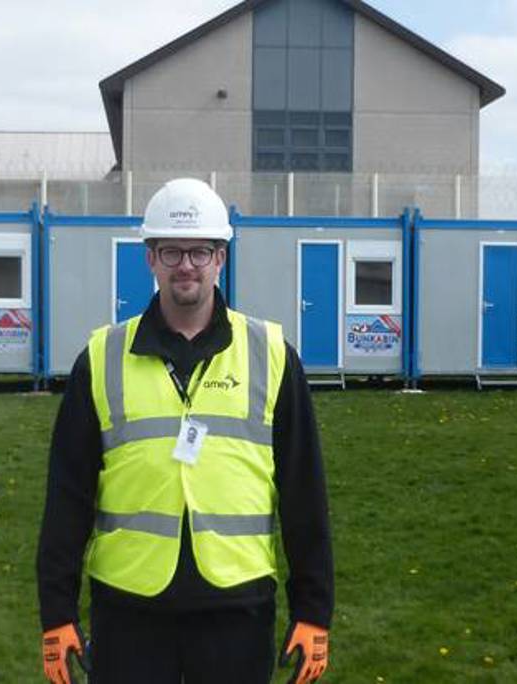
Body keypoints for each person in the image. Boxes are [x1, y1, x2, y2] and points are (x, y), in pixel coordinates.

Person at [37, 178, 333, 684]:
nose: (186, 265)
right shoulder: (103, 357)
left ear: (221, 258)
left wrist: (314, 610)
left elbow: (305, 493)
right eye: (171, 252)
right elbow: (68, 494)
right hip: (129, 608)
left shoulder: (272, 354)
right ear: (150, 259)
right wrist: (57, 612)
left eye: (200, 251)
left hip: (237, 607)